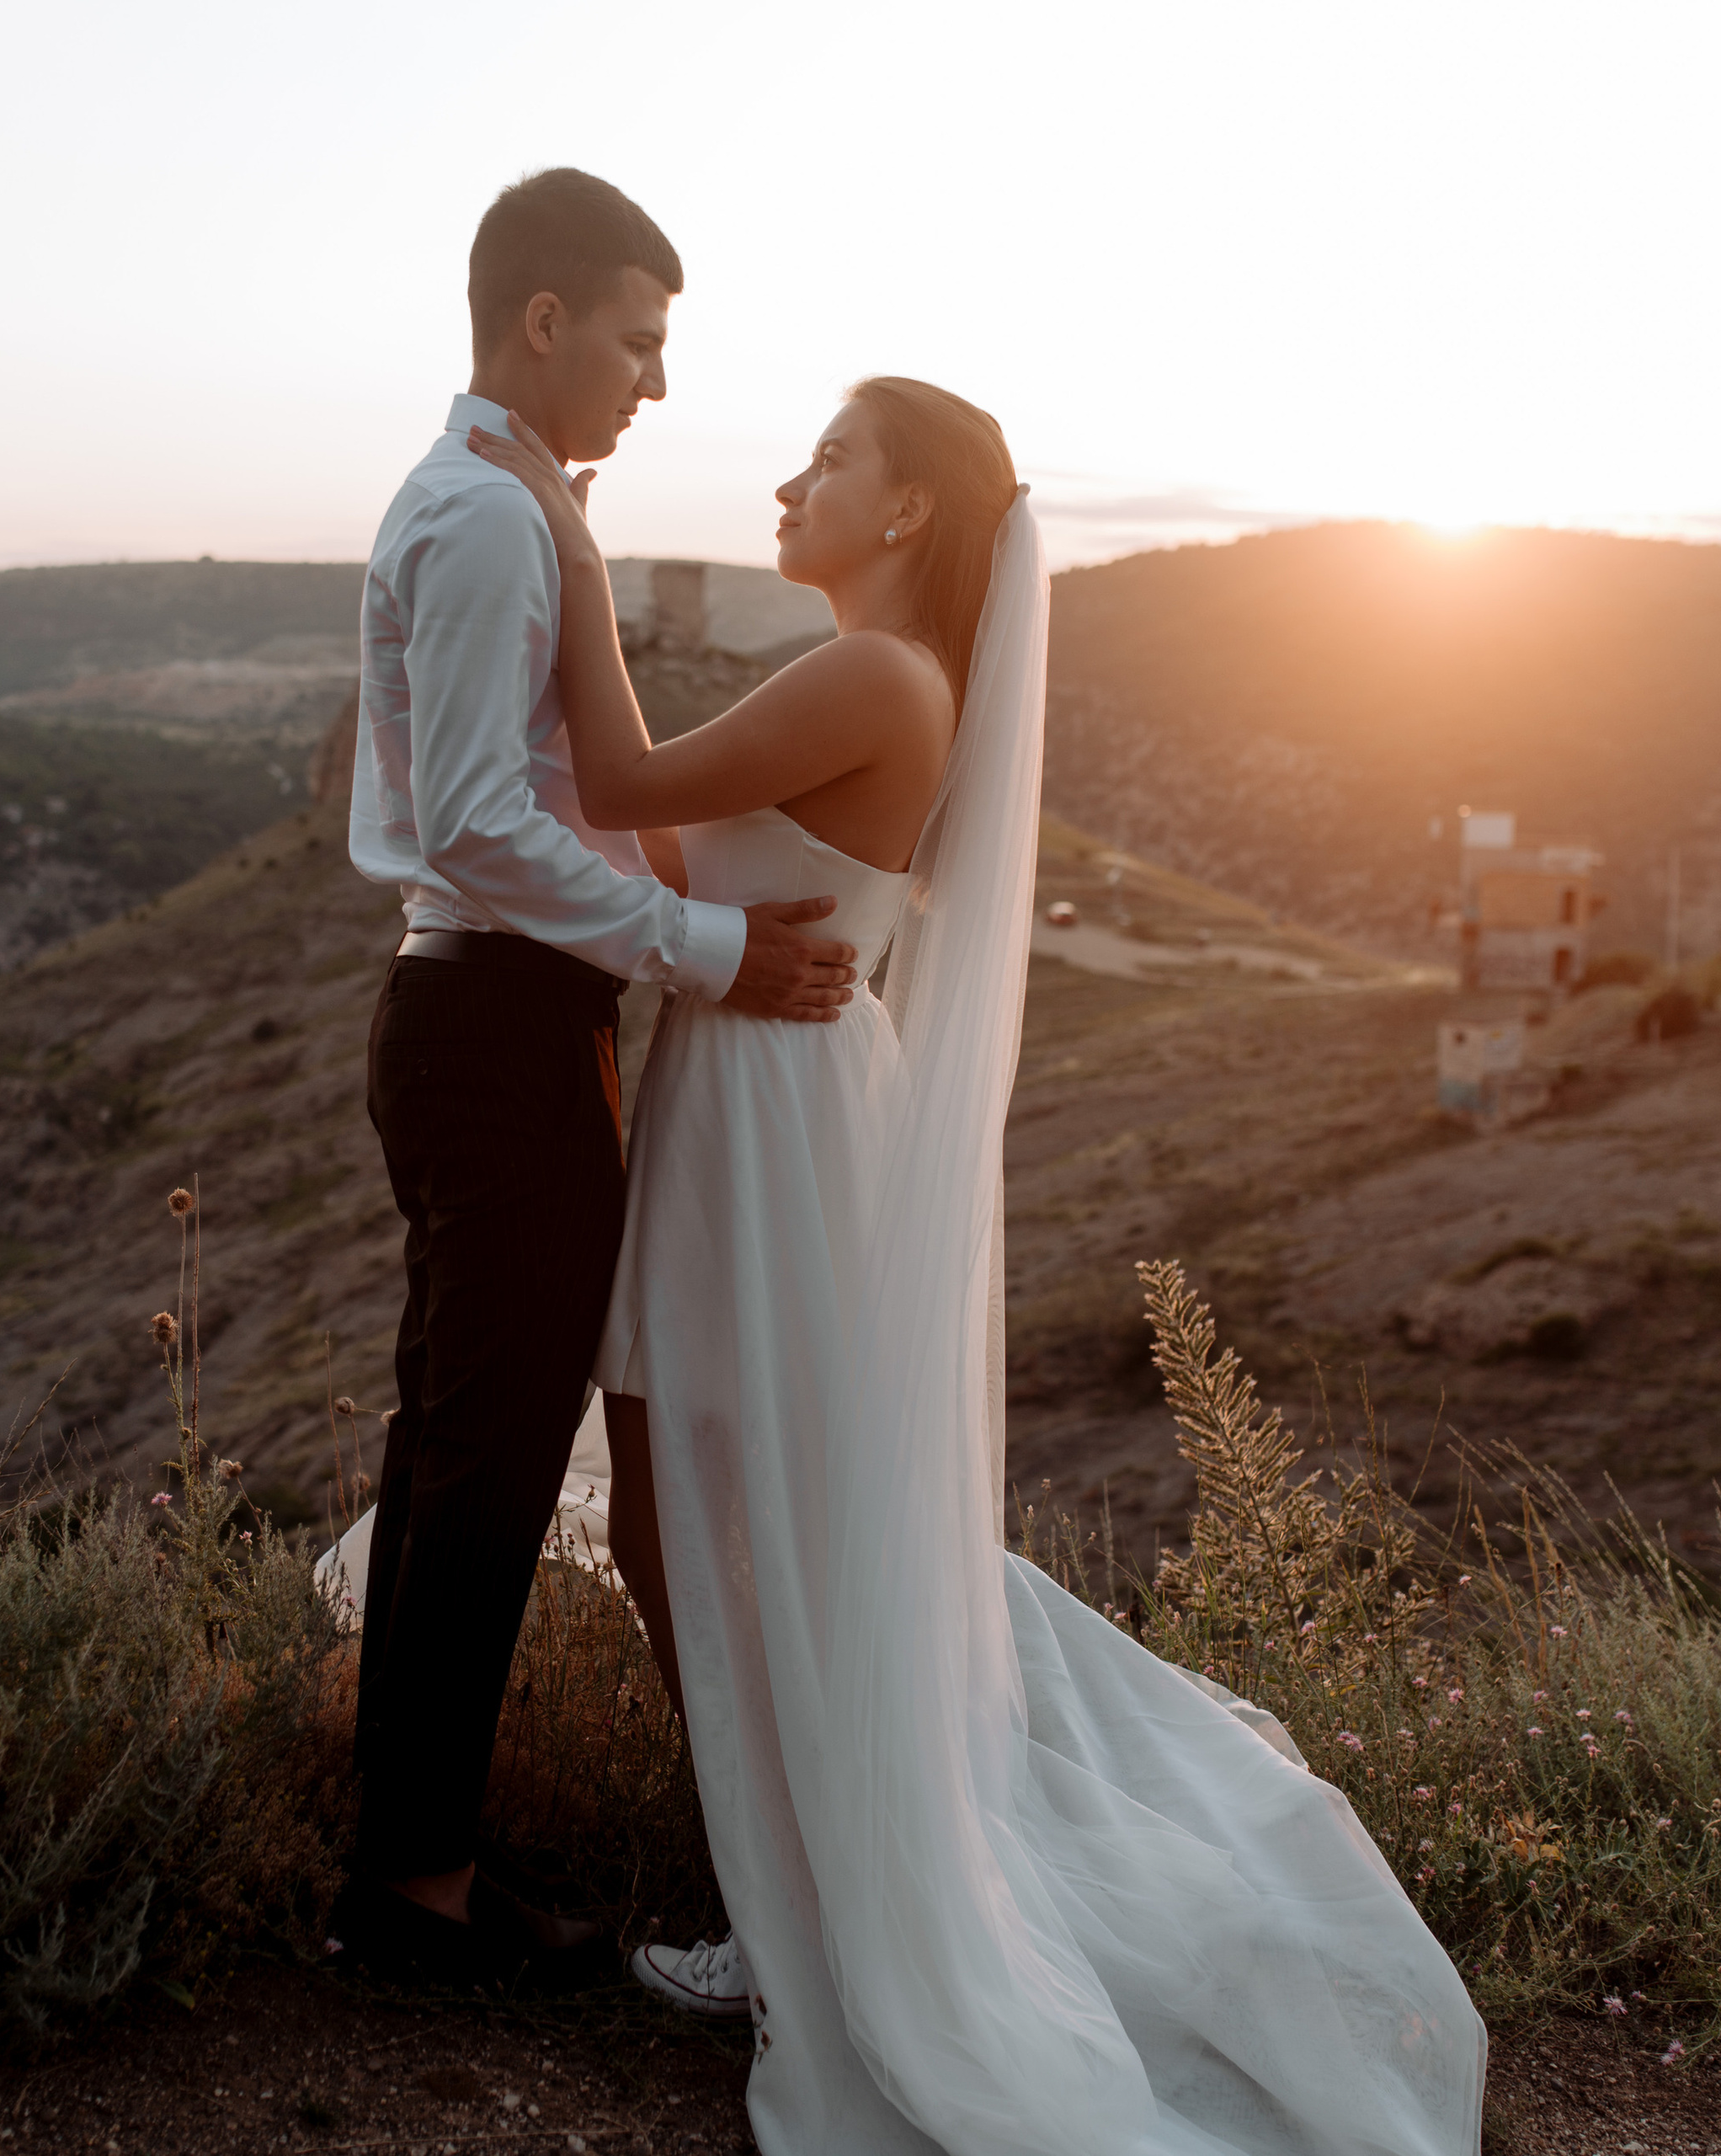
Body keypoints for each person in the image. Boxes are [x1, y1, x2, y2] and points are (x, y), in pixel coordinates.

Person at [466, 379, 1488, 2154]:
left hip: (777, 1120)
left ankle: (806, 1929)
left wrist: (562, 534)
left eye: (830, 458)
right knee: (686, 1507)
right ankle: (787, 1906)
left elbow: (628, 778)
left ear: (911, 511)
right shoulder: (870, 674)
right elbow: (654, 840)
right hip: (762, 1095)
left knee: (729, 1514)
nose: (789, 482)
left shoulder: (872, 677)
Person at [333, 167, 858, 1989]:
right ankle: (413, 1891)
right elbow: (479, 824)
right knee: (481, 1456)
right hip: (490, 1027)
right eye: (636, 342)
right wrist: (714, 953)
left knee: (455, 1445)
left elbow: (527, 805)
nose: (651, 382)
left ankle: (411, 1850)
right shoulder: (488, 522)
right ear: (540, 322)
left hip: (494, 1021)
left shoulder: (504, 501)